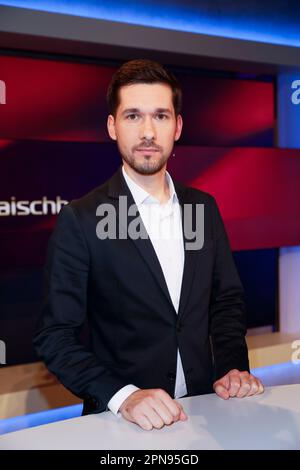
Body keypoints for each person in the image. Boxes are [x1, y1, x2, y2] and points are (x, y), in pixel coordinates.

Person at [34, 59, 264, 432]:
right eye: (132, 116)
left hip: (209, 415)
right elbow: (55, 336)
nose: (147, 132)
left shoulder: (201, 207)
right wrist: (124, 396)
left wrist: (231, 368)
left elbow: (227, 302)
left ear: (178, 126)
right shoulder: (83, 218)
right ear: (112, 127)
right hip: (122, 425)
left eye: (160, 116)